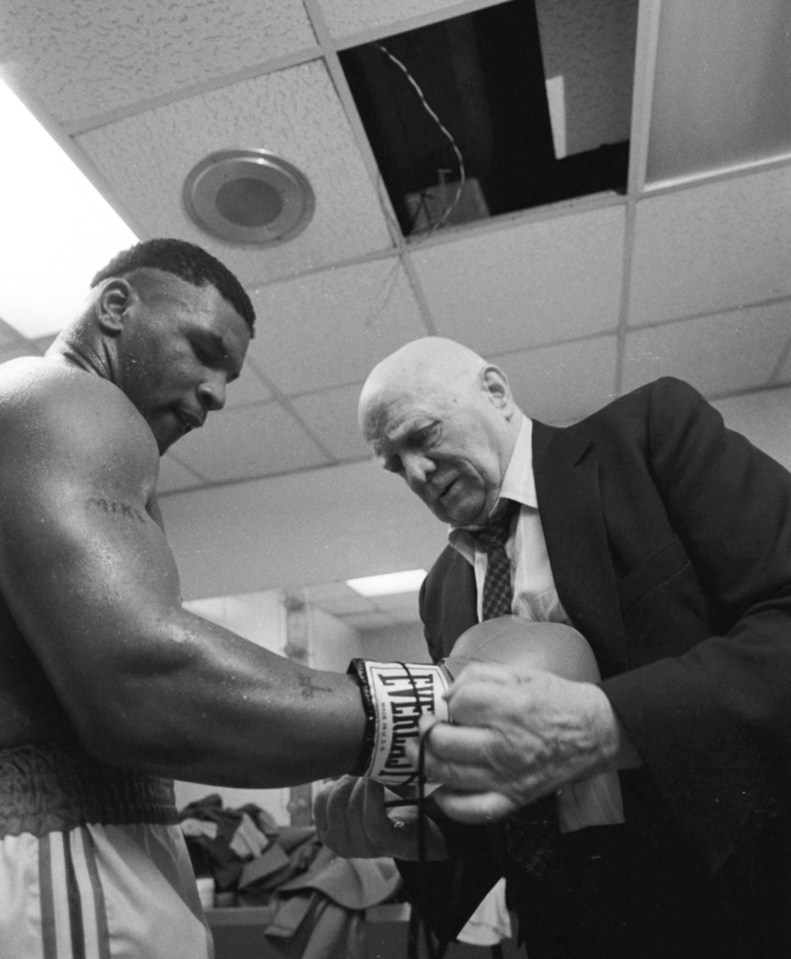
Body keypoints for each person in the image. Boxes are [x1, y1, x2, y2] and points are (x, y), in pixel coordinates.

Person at [0, 239, 446, 959]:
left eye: (229, 375)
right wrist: (426, 707)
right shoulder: (67, 399)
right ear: (115, 306)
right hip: (59, 860)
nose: (216, 391)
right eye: (203, 349)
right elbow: (142, 681)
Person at [314, 335, 791, 959]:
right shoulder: (441, 591)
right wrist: (414, 839)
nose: (416, 473)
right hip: (563, 922)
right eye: (394, 464)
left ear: (495, 391)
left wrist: (608, 726)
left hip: (732, 899)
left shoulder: (649, 438)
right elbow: (492, 806)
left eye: (422, 435)